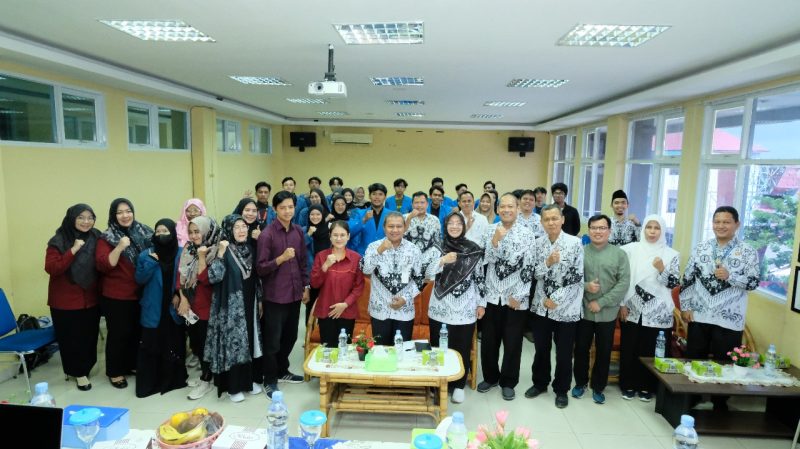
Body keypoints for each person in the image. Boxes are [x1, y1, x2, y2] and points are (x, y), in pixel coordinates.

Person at [680, 206, 759, 411]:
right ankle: (692, 396)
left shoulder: (748, 252)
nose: (721, 226)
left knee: (724, 361)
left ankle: (720, 401)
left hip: (729, 318)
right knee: (694, 357)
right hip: (699, 314)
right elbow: (688, 279)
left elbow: (753, 282)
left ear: (736, 225)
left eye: (726, 222)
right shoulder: (701, 248)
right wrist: (685, 306)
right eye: (717, 221)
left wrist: (730, 276)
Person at [477, 193, 535, 402]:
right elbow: (486, 261)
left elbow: (529, 267)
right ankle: (490, 377)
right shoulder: (491, 229)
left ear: (518, 208)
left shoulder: (527, 234)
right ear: (498, 209)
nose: (507, 210)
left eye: (511, 206)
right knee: (489, 342)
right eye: (503, 206)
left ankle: (508, 382)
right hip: (492, 296)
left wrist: (519, 295)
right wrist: (494, 241)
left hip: (514, 299)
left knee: (512, 343)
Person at [527, 204, 584, 409]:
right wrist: (548, 262)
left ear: (562, 220)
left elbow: (576, 276)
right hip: (541, 305)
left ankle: (561, 389)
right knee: (541, 348)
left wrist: (556, 299)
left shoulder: (575, 243)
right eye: (546, 219)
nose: (550, 222)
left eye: (554, 218)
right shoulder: (537, 243)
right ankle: (540, 383)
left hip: (566, 307)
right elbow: (534, 274)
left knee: (564, 351)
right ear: (541, 222)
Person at [426, 212, 486, 404]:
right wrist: (442, 260)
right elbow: (426, 273)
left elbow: (479, 278)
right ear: (445, 226)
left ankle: (459, 385)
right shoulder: (437, 247)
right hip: (440, 306)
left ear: (464, 226)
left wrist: (481, 303)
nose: (454, 226)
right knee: (439, 345)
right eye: (450, 223)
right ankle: (440, 383)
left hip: (465, 306)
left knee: (461, 346)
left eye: (458, 223)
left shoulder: (473, 249)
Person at [619, 214, 680, 401]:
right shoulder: (630, 250)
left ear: (662, 231)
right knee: (630, 347)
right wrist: (621, 304)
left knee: (652, 349)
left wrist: (662, 269)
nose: (652, 232)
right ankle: (628, 385)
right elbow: (622, 279)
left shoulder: (671, 254)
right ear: (643, 228)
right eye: (649, 227)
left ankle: (648, 386)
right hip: (633, 307)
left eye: (657, 228)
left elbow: (673, 283)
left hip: (658, 311)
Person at [572, 214, 630, 405]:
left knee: (604, 352)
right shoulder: (580, 251)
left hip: (607, 312)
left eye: (602, 228)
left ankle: (598, 387)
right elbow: (571, 278)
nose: (598, 231)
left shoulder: (619, 254)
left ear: (609, 231)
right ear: (589, 231)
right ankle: (580, 383)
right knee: (581, 349)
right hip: (583, 310)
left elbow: (623, 283)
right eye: (594, 228)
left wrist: (602, 302)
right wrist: (586, 286)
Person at [95, 198, 153, 389]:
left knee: (137, 332)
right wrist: (120, 247)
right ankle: (115, 371)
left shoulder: (144, 231)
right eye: (120, 212)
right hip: (117, 295)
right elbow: (104, 265)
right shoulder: (107, 237)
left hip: (141, 293)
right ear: (113, 215)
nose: (125, 215)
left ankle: (131, 364)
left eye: (128, 211)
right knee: (119, 334)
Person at [257, 190, 309, 398]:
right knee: (273, 341)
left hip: (295, 294)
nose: (287, 211)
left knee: (291, 336)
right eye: (283, 207)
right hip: (275, 297)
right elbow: (260, 268)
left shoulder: (297, 231)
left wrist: (306, 286)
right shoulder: (267, 234)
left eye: (290, 207)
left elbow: (303, 262)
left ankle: (282, 370)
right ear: (275, 209)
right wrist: (280, 259)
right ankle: (269, 380)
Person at [206, 214, 264, 402]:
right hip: (231, 306)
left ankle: (248, 381)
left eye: (244, 226)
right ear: (229, 230)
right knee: (235, 344)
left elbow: (256, 278)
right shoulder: (223, 249)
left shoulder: (249, 248)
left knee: (249, 340)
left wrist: (260, 300)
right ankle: (234, 387)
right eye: (236, 227)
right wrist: (220, 254)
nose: (241, 230)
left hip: (250, 302)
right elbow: (214, 277)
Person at [45, 204, 102, 391]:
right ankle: (78, 373)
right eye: (81, 217)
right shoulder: (59, 240)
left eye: (90, 217)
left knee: (89, 336)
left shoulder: (96, 236)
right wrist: (73, 251)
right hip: (65, 301)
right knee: (71, 339)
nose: (86, 222)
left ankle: (84, 367)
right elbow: (52, 268)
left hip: (90, 297)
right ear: (72, 218)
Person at [134, 218, 188, 397]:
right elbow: (139, 279)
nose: (161, 234)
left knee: (174, 342)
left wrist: (177, 294)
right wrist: (151, 262)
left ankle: (174, 380)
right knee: (151, 344)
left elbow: (185, 278)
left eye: (165, 231)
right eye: (158, 231)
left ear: (172, 233)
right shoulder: (146, 254)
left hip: (173, 308)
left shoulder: (181, 253)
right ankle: (151, 383)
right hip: (153, 307)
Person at [361, 212, 423, 344]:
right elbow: (366, 270)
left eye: (399, 226)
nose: (395, 230)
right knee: (381, 353)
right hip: (380, 310)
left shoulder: (414, 249)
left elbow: (420, 279)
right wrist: (380, 250)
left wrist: (405, 298)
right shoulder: (373, 247)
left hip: (404, 312)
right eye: (391, 226)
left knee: (402, 355)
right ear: (384, 228)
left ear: (404, 227)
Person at [178, 216, 220, 400]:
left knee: (205, 345)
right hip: (191, 304)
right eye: (191, 232)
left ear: (207, 231)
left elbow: (206, 278)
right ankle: (206, 376)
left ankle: (206, 379)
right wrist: (182, 298)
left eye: (198, 231)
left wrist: (202, 256)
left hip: (208, 305)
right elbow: (181, 275)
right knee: (196, 343)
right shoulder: (189, 248)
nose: (194, 236)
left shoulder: (216, 251)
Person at [310, 221, 365, 347]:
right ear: (330, 236)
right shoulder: (321, 256)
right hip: (326, 310)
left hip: (347, 310)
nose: (339, 238)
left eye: (342, 235)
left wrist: (345, 304)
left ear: (348, 236)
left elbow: (359, 286)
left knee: (344, 350)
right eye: (335, 235)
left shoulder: (356, 258)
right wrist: (325, 266)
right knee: (328, 350)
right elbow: (314, 284)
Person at [304, 204, 331, 326]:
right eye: (312, 214)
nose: (315, 217)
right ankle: (309, 337)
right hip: (312, 273)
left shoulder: (329, 229)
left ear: (323, 215)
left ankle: (323, 335)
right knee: (311, 305)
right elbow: (299, 248)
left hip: (328, 271)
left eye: (318, 214)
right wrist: (309, 234)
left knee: (327, 302)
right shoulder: (304, 230)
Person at [404, 191, 442, 277]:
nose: (419, 205)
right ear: (412, 204)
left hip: (429, 262)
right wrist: (409, 218)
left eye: (422, 202)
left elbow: (438, 241)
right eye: (416, 203)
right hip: (408, 261)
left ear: (427, 204)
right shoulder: (404, 217)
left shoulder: (434, 220)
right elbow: (399, 236)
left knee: (427, 288)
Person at [349, 183, 389, 255]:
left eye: (380, 194)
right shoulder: (359, 213)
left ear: (385, 197)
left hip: (385, 255)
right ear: (369, 196)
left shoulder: (391, 214)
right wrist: (363, 220)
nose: (377, 197)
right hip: (364, 254)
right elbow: (349, 233)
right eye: (374, 194)